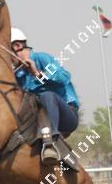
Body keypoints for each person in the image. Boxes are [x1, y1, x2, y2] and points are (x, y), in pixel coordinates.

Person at [10, 28, 80, 164]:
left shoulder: (42, 58)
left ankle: (50, 143)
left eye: (9, 54)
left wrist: (37, 73)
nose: (9, 60)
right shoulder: (17, 75)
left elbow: (64, 78)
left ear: (18, 46)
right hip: (39, 121)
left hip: (66, 117)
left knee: (47, 96)